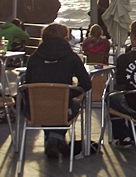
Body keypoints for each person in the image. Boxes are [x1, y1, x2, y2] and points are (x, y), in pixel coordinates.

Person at [24, 23, 91, 159]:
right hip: (62, 107)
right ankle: (56, 138)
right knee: (72, 105)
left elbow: (28, 84)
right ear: (64, 38)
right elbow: (86, 83)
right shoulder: (71, 57)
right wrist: (67, 94)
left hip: (35, 109)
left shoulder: (34, 58)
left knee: (46, 105)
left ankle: (53, 140)